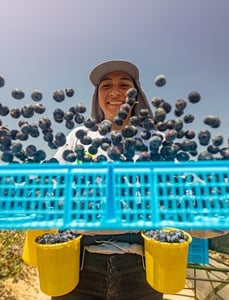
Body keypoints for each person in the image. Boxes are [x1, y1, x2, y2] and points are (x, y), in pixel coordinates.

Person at [51, 59, 163, 300]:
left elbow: (179, 194)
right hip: (78, 268)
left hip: (143, 270)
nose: (115, 92)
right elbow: (53, 184)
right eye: (106, 86)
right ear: (96, 96)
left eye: (124, 85)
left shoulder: (155, 140)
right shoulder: (79, 138)